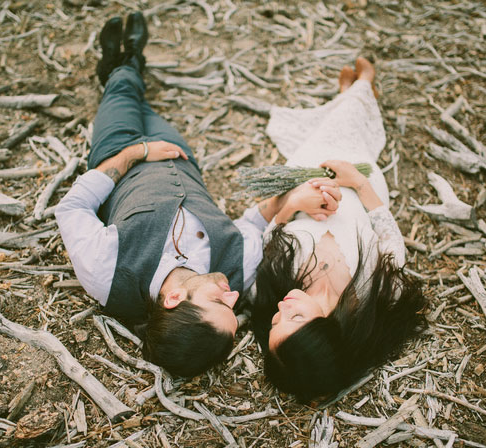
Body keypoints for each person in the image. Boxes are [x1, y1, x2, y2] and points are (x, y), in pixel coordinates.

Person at [55, 12, 342, 378]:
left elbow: (72, 207)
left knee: (125, 92)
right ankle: (121, 66)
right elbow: (254, 222)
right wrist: (295, 198)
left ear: (173, 300)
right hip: (179, 155)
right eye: (233, 309)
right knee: (139, 102)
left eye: (219, 302)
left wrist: (133, 155)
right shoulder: (237, 271)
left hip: (119, 149)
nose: (234, 296)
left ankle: (123, 61)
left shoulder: (107, 272)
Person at [249, 58, 426, 402]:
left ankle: (350, 94)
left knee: (326, 136)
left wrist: (296, 202)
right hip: (358, 182)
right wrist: (357, 182)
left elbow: (272, 234)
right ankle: (363, 86)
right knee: (346, 130)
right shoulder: (377, 291)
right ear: (327, 325)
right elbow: (386, 230)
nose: (281, 307)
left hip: (304, 178)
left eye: (274, 323)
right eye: (294, 316)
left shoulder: (271, 287)